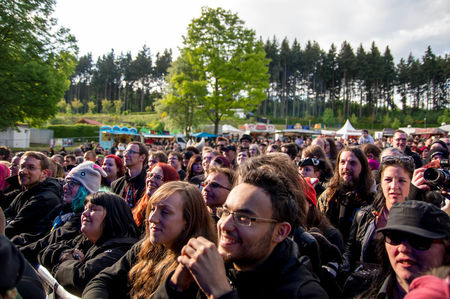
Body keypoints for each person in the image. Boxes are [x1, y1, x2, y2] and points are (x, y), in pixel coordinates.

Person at [158, 168, 328, 298]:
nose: (225, 225)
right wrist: (175, 287)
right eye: (225, 212)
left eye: (244, 218)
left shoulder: (304, 293)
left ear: (280, 232)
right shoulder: (211, 266)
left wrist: (220, 293)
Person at [82, 181, 217, 298]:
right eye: (152, 209)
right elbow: (102, 281)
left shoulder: (197, 267)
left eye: (165, 212)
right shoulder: (145, 247)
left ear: (188, 221)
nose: (152, 218)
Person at [37, 192, 139, 296]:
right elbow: (45, 251)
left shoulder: (122, 249)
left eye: (93, 209)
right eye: (85, 209)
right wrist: (63, 254)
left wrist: (61, 263)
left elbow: (82, 278)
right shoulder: (85, 240)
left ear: (113, 215)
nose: (84, 214)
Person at [342, 155, 415, 298]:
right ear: (380, 182)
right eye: (388, 180)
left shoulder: (417, 220)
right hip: (362, 288)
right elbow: (351, 251)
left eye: (401, 180)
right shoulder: (364, 215)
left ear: (410, 184)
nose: (394, 186)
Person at [17, 161, 106, 259]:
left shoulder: (84, 216)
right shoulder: (63, 209)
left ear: (86, 190)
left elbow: (52, 240)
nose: (65, 187)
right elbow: (39, 231)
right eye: (66, 182)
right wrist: (17, 242)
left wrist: (16, 253)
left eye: (72, 184)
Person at [362, 200, 449, 298]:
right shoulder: (361, 287)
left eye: (418, 240)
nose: (403, 248)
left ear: (446, 251)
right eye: (394, 237)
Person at [318, 147, 375, 241]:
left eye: (352, 163)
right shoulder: (328, 196)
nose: (346, 167)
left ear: (362, 167)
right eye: (342, 162)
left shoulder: (371, 198)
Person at [4, 151, 63, 240]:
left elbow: (14, 228)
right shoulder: (25, 192)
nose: (23, 171)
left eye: (31, 167)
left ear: (44, 173)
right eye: (22, 166)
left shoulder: (44, 198)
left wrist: (7, 222)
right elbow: (5, 216)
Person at [132, 162, 180, 230]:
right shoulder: (143, 205)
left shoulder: (171, 210)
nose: (150, 180)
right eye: (149, 175)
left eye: (157, 177)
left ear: (169, 182)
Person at [111, 141, 148, 208]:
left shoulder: (149, 184)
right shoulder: (117, 184)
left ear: (142, 157)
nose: (125, 155)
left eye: (130, 152)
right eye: (125, 152)